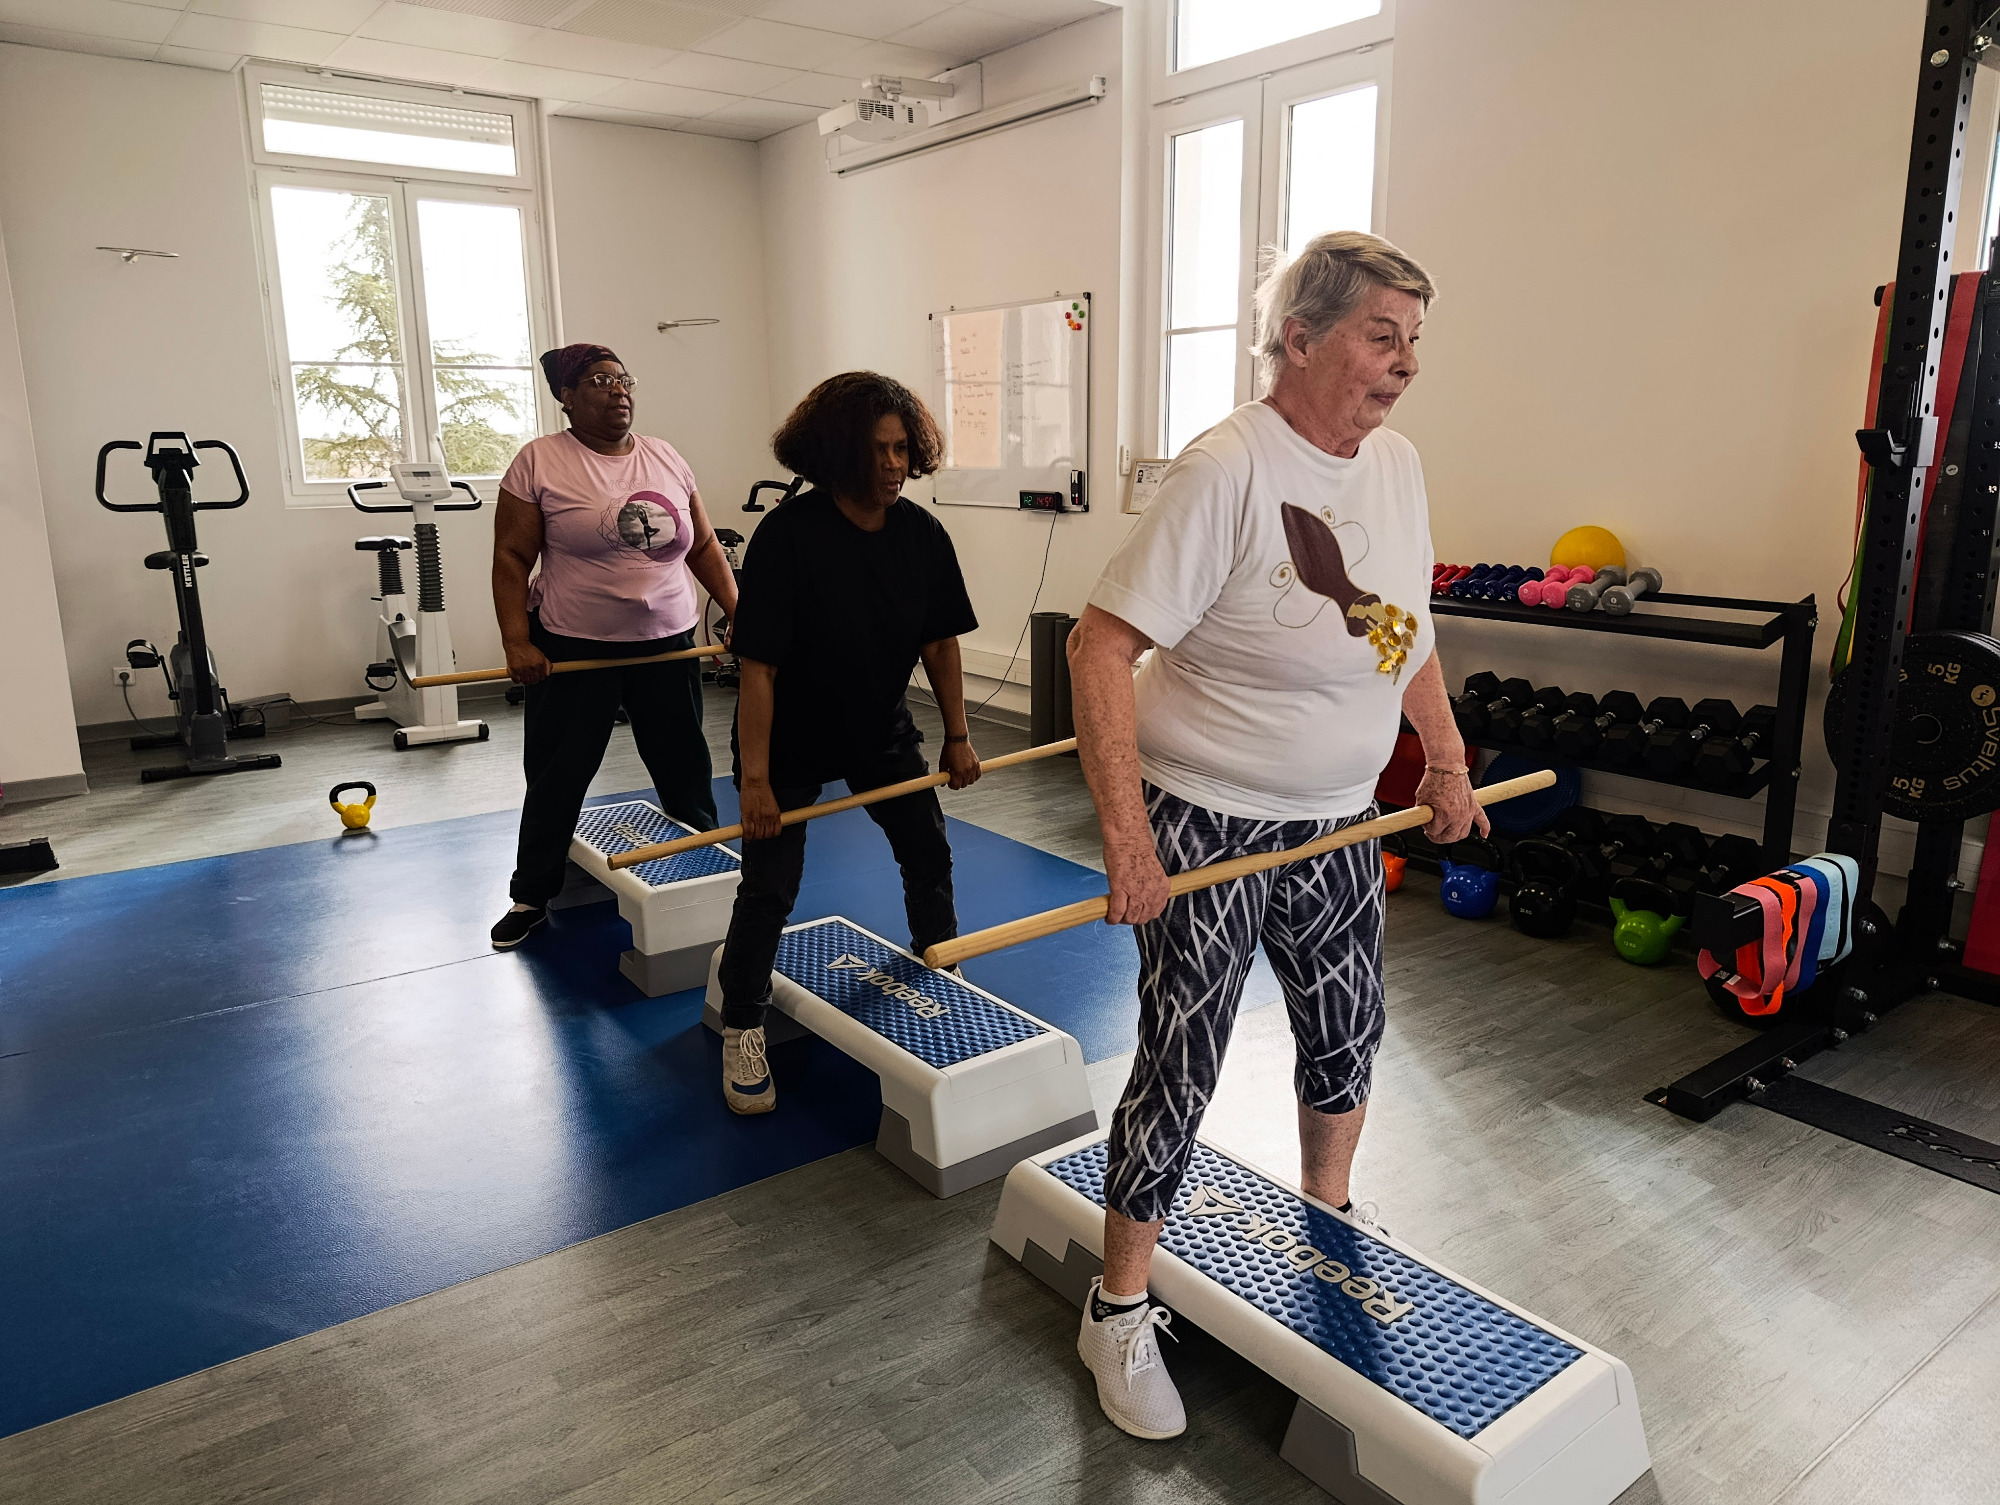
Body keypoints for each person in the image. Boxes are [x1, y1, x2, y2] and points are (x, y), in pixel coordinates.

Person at [1063, 232, 1485, 1439]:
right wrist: (1129, 840)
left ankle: (1326, 1214)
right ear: (1299, 339)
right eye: (1379, 336)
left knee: (1345, 1025)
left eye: (1413, 340)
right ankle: (1117, 1303)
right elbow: (1099, 646)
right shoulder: (1226, 468)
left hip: (1339, 814)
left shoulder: (1394, 464)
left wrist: (1444, 756)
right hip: (1206, 811)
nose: (1404, 363)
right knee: (1183, 1055)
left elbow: (1403, 628)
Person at [713, 371, 981, 1115]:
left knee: (927, 848)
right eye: (877, 450)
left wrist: (958, 736)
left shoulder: (922, 535)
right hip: (788, 739)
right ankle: (742, 1022)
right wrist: (756, 782)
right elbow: (758, 668)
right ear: (837, 453)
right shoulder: (788, 536)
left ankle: (941, 960)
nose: (894, 465)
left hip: (878, 728)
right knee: (770, 885)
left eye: (902, 449)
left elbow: (941, 642)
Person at [488, 343, 740, 949]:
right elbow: (512, 557)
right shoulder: (539, 461)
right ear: (566, 396)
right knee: (558, 773)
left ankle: (704, 878)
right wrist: (517, 642)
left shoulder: (666, 456)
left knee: (685, 768)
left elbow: (704, 545)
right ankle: (532, 893)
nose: (618, 390)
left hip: (667, 644)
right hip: (574, 646)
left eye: (623, 379)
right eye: (599, 381)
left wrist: (741, 612)